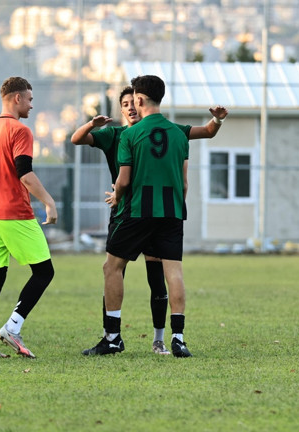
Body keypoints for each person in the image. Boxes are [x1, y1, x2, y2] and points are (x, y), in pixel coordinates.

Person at [73, 86, 228, 355]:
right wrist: (217, 119)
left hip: (135, 211)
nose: (131, 107)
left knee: (114, 268)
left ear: (141, 100)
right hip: (170, 212)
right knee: (171, 272)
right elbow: (191, 167)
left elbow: (123, 180)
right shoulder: (173, 132)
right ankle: (177, 338)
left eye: (134, 101)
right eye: (126, 103)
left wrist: (118, 195)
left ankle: (115, 337)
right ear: (121, 108)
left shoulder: (131, 135)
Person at [0, 77, 57, 359]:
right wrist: (48, 201)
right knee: (44, 272)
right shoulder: (20, 131)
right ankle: (13, 327)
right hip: (14, 214)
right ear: (17, 98)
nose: (32, 105)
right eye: (30, 99)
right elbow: (25, 173)